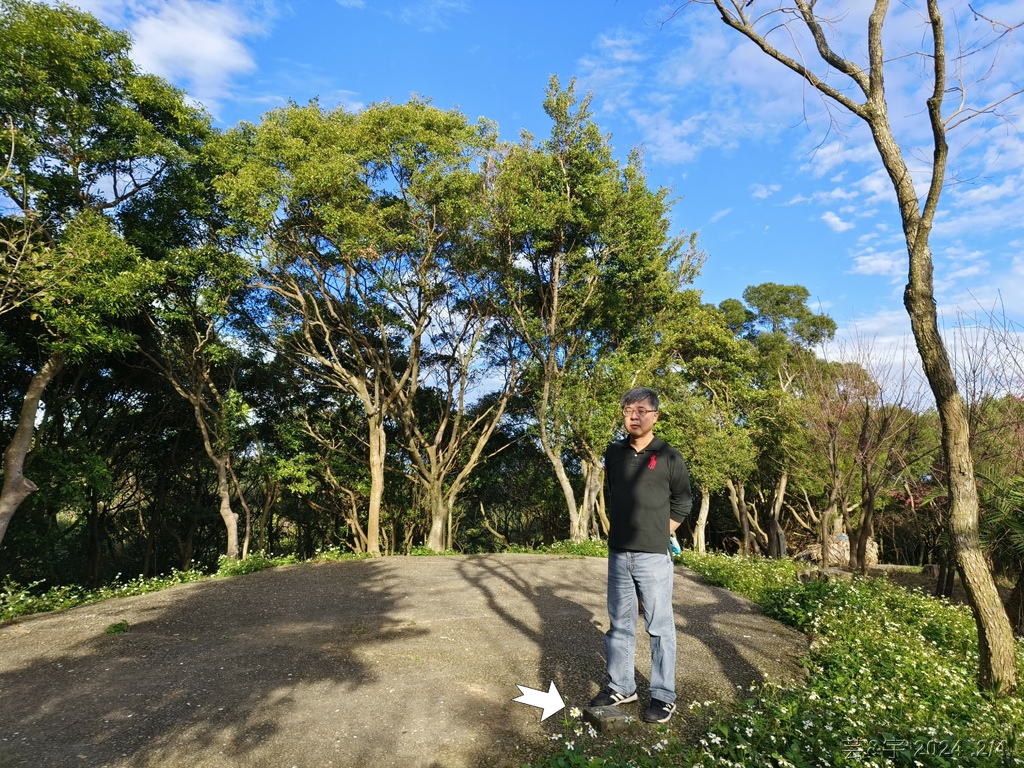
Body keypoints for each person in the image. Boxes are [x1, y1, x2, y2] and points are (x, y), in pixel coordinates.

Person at [590, 387, 692, 723]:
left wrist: (664, 531)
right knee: (619, 624)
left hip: (653, 556)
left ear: (655, 416)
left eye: (641, 410)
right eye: (628, 409)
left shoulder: (669, 456)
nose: (634, 415)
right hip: (619, 552)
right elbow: (614, 494)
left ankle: (663, 695)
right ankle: (622, 685)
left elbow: (683, 501)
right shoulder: (614, 453)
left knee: (659, 626)